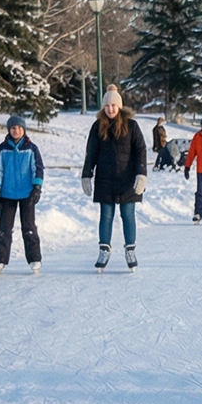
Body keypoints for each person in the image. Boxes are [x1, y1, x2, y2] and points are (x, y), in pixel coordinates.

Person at [82, 85, 147, 273]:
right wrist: (87, 174)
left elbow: (141, 150)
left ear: (120, 106)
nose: (110, 109)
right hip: (105, 179)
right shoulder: (98, 126)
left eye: (113, 105)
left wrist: (141, 173)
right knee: (106, 215)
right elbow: (91, 152)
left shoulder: (131, 126)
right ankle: (104, 250)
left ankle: (130, 250)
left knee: (128, 214)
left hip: (127, 178)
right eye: (107, 106)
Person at [0, 116, 44, 275]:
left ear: (24, 130)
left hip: (27, 194)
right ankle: (0, 259)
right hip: (7, 194)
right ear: (9, 130)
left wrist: (37, 187)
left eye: (19, 128)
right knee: (4, 229)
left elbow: (38, 168)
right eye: (13, 128)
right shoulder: (2, 149)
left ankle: (34, 258)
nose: (16, 131)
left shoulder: (31, 148)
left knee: (29, 227)